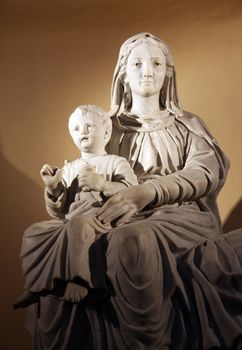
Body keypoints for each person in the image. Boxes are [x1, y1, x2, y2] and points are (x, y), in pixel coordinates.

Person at [18, 33, 242, 350]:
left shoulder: (186, 125)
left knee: (132, 241)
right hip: (106, 215)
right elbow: (72, 196)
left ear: (168, 73)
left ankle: (150, 341)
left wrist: (146, 193)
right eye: (137, 63)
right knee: (47, 236)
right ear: (123, 72)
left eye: (156, 63)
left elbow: (205, 173)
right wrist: (55, 194)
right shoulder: (103, 125)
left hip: (176, 216)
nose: (146, 71)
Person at [14, 104, 138, 308]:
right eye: (77, 129)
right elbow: (58, 212)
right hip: (71, 222)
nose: (83, 132)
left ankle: (80, 280)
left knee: (78, 225)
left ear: (106, 133)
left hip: (101, 219)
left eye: (90, 126)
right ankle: (36, 285)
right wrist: (53, 188)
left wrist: (103, 184)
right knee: (34, 232)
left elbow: (133, 191)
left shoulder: (116, 162)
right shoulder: (69, 168)